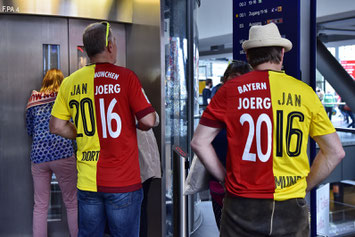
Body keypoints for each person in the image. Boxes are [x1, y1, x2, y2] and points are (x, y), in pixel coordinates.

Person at [191, 23, 345, 237]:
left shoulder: (229, 90)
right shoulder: (305, 92)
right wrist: (303, 186)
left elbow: (199, 142)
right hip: (291, 206)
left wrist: (224, 178)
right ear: (282, 54)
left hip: (241, 206)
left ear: (248, 55)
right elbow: (335, 152)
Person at [49, 22, 156, 237]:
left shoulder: (69, 83)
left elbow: (57, 126)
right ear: (109, 46)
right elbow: (149, 120)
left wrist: (80, 132)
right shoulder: (127, 77)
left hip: (88, 182)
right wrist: (133, 124)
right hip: (123, 181)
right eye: (114, 42)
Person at [25, 69, 78, 237]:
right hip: (63, 153)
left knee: (40, 205)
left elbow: (29, 130)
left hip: (39, 157)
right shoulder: (64, 99)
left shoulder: (33, 101)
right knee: (71, 203)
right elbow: (73, 127)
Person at [209, 60, 252, 229]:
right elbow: (200, 143)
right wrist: (223, 179)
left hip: (250, 188)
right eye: (234, 77)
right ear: (225, 79)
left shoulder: (257, 107)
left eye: (244, 78)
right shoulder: (216, 107)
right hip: (220, 186)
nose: (239, 83)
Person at [137, 112, 161, 237]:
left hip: (140, 161)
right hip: (142, 160)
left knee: (139, 209)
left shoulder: (136, 92)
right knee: (140, 208)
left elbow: (154, 120)